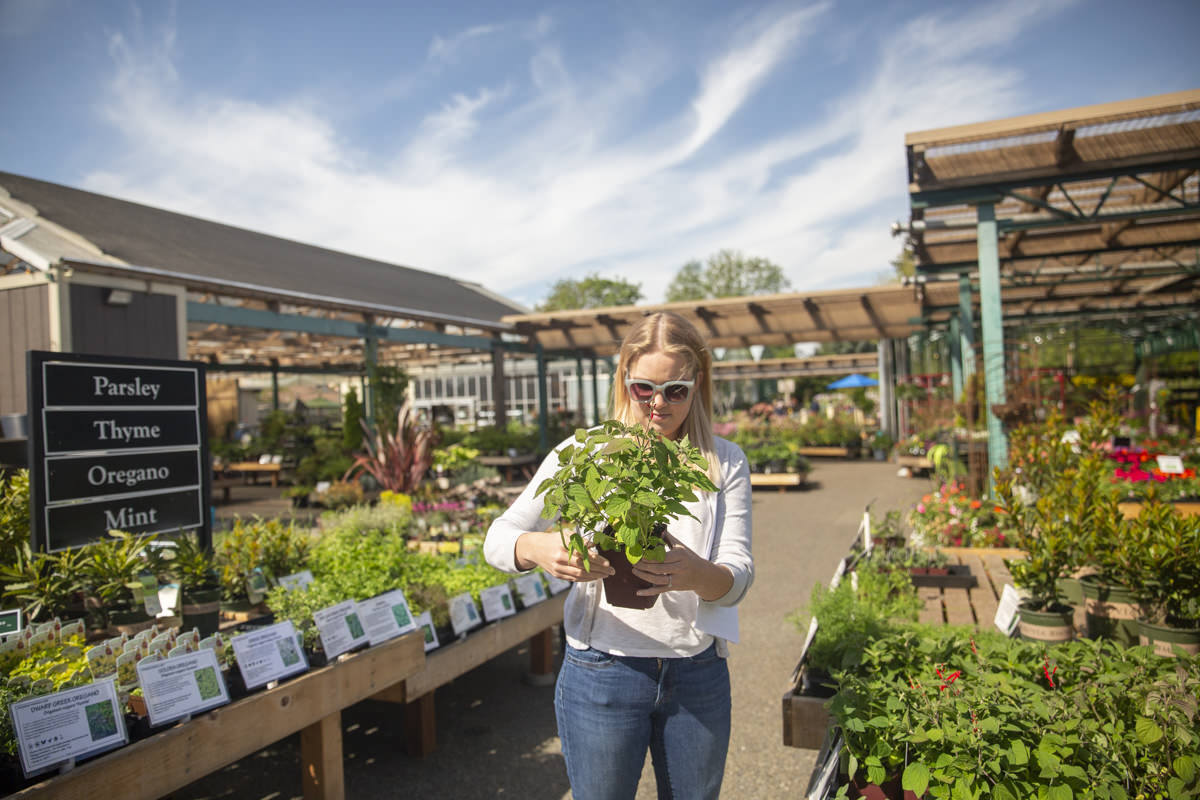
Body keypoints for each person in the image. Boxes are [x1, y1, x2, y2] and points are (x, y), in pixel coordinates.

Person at [484, 311, 753, 800]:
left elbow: (738, 575)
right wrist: (540, 549)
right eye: (643, 387)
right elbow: (498, 537)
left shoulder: (723, 460)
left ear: (697, 385)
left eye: (675, 390)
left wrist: (695, 574)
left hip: (696, 674)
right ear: (624, 380)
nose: (657, 403)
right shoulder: (587, 452)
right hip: (601, 672)